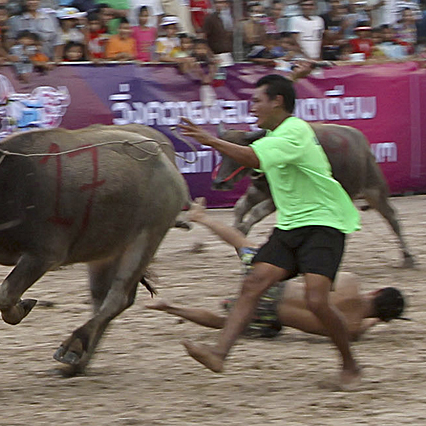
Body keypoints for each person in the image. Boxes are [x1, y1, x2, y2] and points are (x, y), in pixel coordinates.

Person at [177, 74, 362, 387]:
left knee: (318, 302)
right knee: (253, 284)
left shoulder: (296, 130)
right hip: (290, 225)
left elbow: (251, 157)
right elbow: (250, 159)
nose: (253, 107)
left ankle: (350, 367)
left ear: (277, 102)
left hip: (324, 223)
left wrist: (210, 140)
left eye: (257, 101)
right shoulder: (271, 137)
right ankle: (219, 354)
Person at [147, 198, 408, 341]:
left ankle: (201, 217)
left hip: (275, 285)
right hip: (270, 314)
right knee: (223, 323)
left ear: (377, 290)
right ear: (382, 318)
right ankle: (171, 307)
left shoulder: (351, 282)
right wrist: (374, 320)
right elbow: (363, 324)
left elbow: (313, 274)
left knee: (242, 243)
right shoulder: (351, 329)